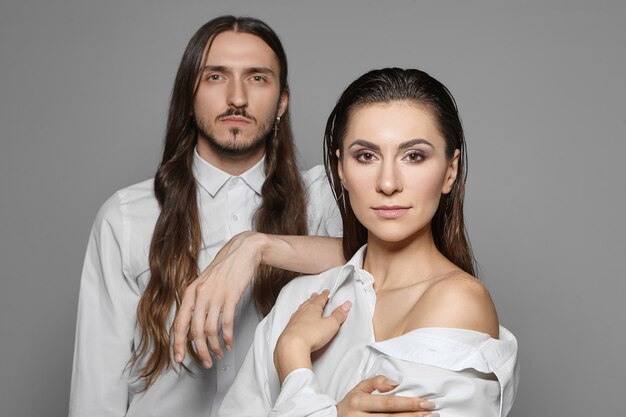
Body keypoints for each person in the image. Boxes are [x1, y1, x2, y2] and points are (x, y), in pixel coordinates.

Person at [70, 16, 432, 417]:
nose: (237, 97)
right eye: (215, 77)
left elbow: (382, 260)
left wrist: (256, 247)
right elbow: (96, 393)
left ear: (282, 102)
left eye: (257, 78)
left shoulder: (327, 198)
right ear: (188, 96)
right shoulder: (125, 217)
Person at [219, 68, 519, 417]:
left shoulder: (459, 301)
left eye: (414, 156)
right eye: (366, 156)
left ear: (450, 171)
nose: (388, 183)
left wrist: (295, 364)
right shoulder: (300, 299)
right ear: (341, 168)